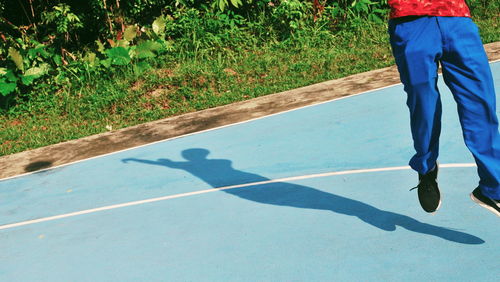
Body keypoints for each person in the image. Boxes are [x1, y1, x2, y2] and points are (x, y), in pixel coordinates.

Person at [387, 0, 500, 216]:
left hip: (457, 18)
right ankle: (426, 166)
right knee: (424, 107)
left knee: (481, 103)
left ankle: (494, 189)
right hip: (411, 21)